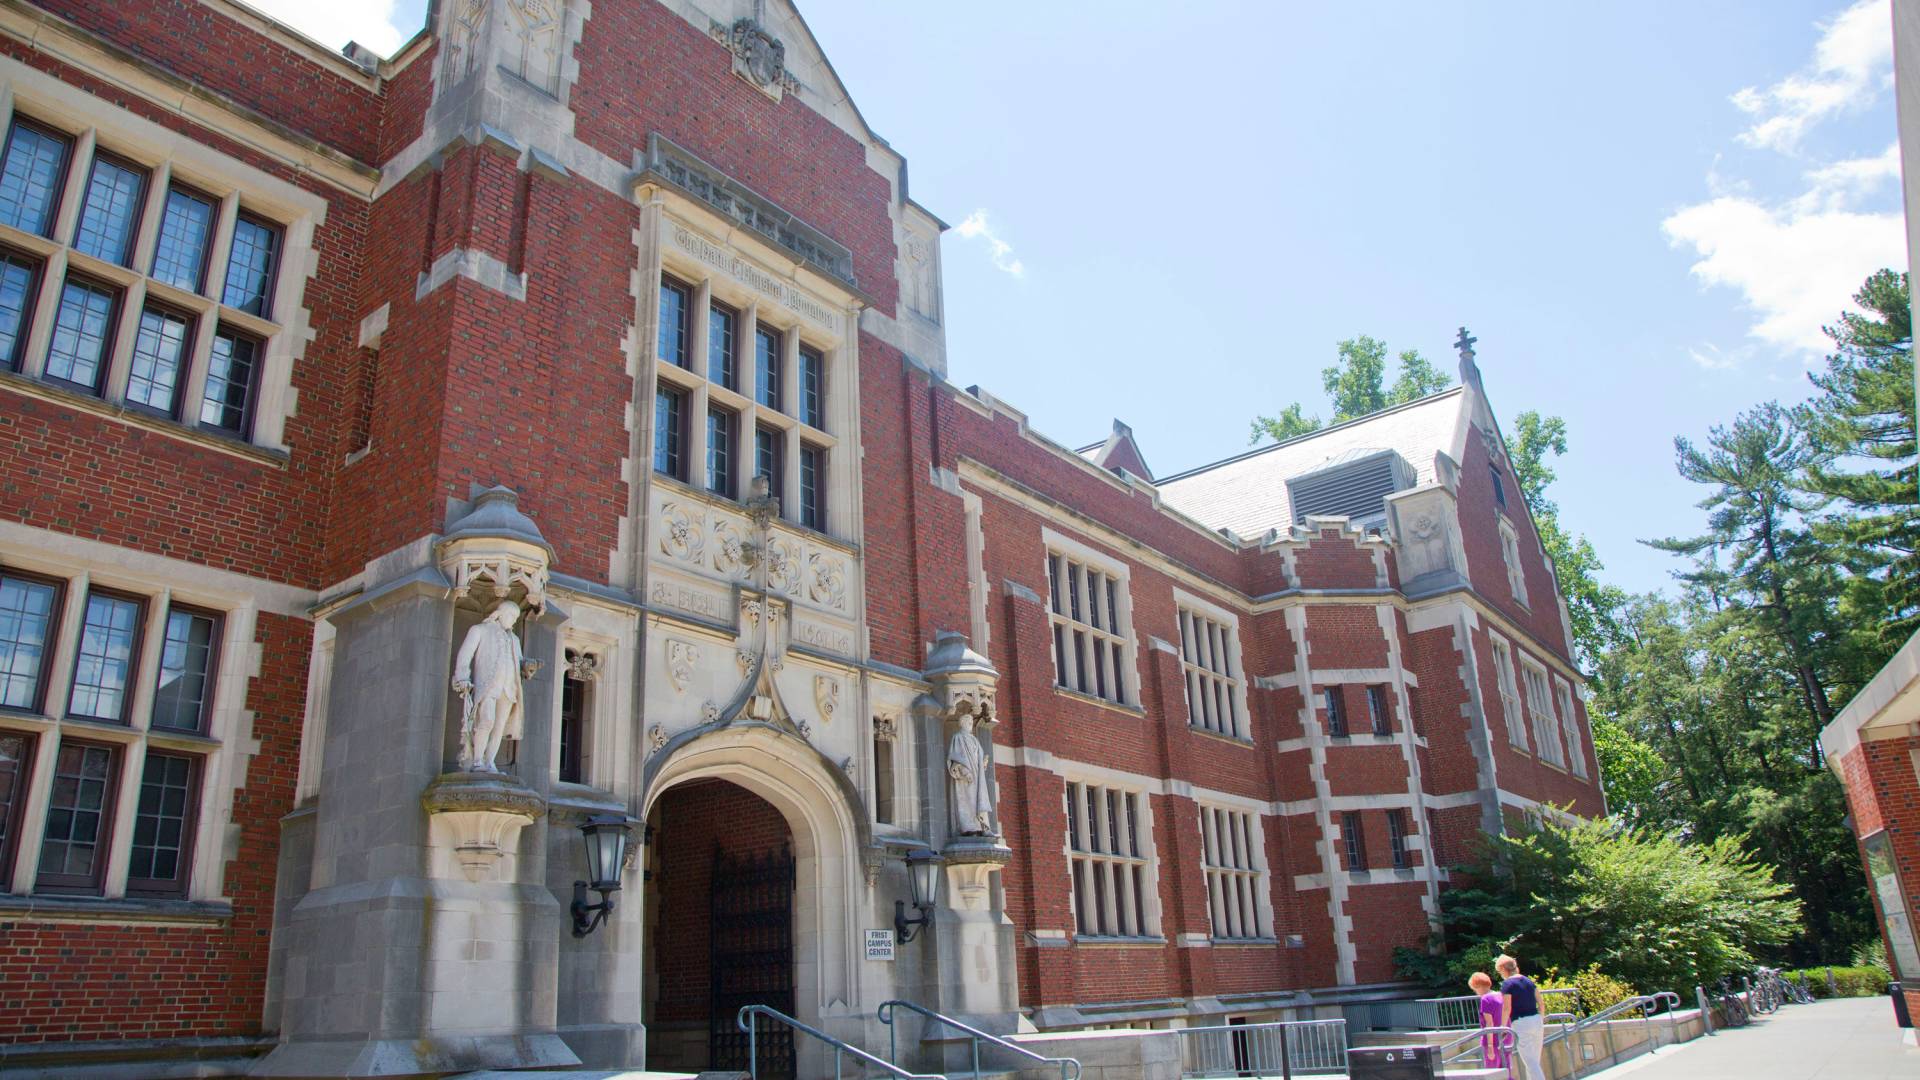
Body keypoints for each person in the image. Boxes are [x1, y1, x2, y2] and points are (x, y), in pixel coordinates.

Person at [1498, 954, 1546, 1080]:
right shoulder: (1528, 981)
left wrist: (1503, 1027)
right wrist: (1540, 1019)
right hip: (1536, 1020)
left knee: (1530, 1062)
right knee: (1534, 1061)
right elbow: (1541, 1003)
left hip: (1521, 1023)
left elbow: (1507, 1008)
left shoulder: (1507, 984)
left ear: (1503, 969)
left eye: (1499, 971)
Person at [1471, 971, 1509, 1072]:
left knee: (1492, 1072)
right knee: (1506, 1071)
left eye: (1474, 989)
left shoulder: (1485, 999)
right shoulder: (1501, 995)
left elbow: (1489, 1023)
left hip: (1493, 1041)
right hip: (1506, 1038)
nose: (1475, 992)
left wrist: (1490, 1046)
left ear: (1478, 986)